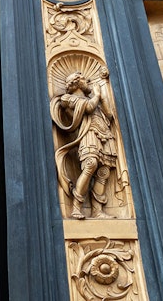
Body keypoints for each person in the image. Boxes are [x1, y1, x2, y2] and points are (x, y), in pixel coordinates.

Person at [51, 69, 121, 219]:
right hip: (88, 134)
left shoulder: (93, 100)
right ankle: (76, 207)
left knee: (104, 172)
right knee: (90, 164)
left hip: (104, 133)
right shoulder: (68, 98)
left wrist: (102, 98)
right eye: (83, 78)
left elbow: (109, 115)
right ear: (76, 83)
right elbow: (88, 108)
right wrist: (96, 95)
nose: (87, 81)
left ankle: (97, 210)